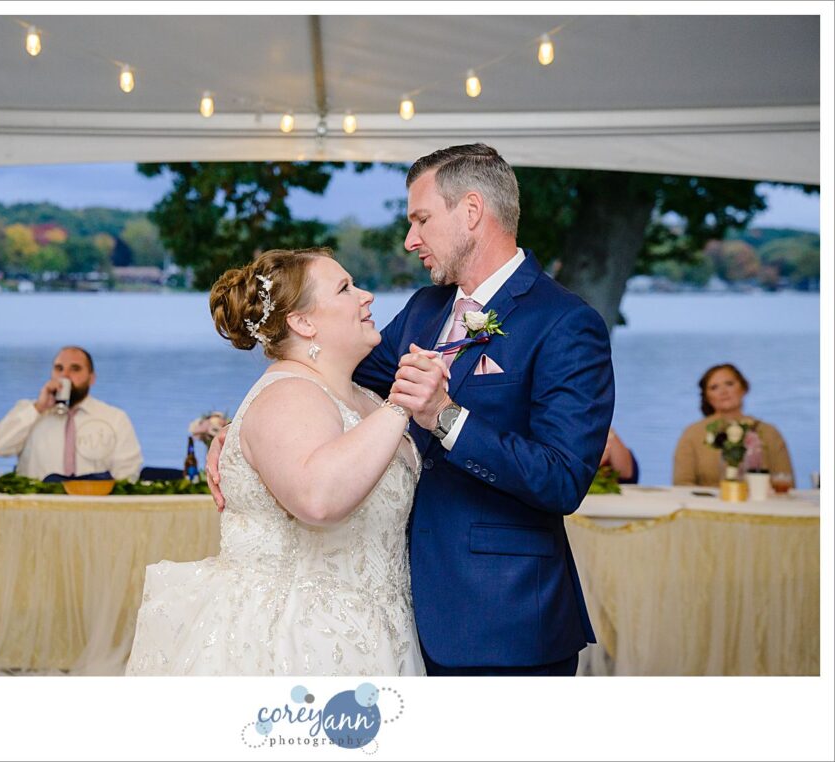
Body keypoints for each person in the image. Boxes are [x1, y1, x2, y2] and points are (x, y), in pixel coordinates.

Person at [210, 144, 615, 677]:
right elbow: (324, 376)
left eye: (421, 219)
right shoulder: (427, 308)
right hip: (400, 617)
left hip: (504, 620)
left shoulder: (566, 323)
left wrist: (447, 417)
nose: (410, 240)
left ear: (471, 212)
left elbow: (563, 480)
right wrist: (244, 433)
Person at [127, 248, 425, 676]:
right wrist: (401, 408)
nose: (367, 296)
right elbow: (317, 499)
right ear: (303, 322)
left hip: (377, 629)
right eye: (345, 288)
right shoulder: (289, 395)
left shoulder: (363, 396)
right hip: (298, 640)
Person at [0, 346, 142, 481]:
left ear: (91, 378)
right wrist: (38, 408)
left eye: (75, 369)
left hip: (94, 507)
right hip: (38, 508)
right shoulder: (29, 411)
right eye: (59, 368)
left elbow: (128, 473)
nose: (65, 375)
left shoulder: (114, 418)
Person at [672, 363, 793, 486]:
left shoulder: (769, 432)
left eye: (729, 384)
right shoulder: (692, 434)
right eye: (714, 387)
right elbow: (682, 485)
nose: (723, 391)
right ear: (707, 397)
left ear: (744, 388)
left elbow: (785, 482)